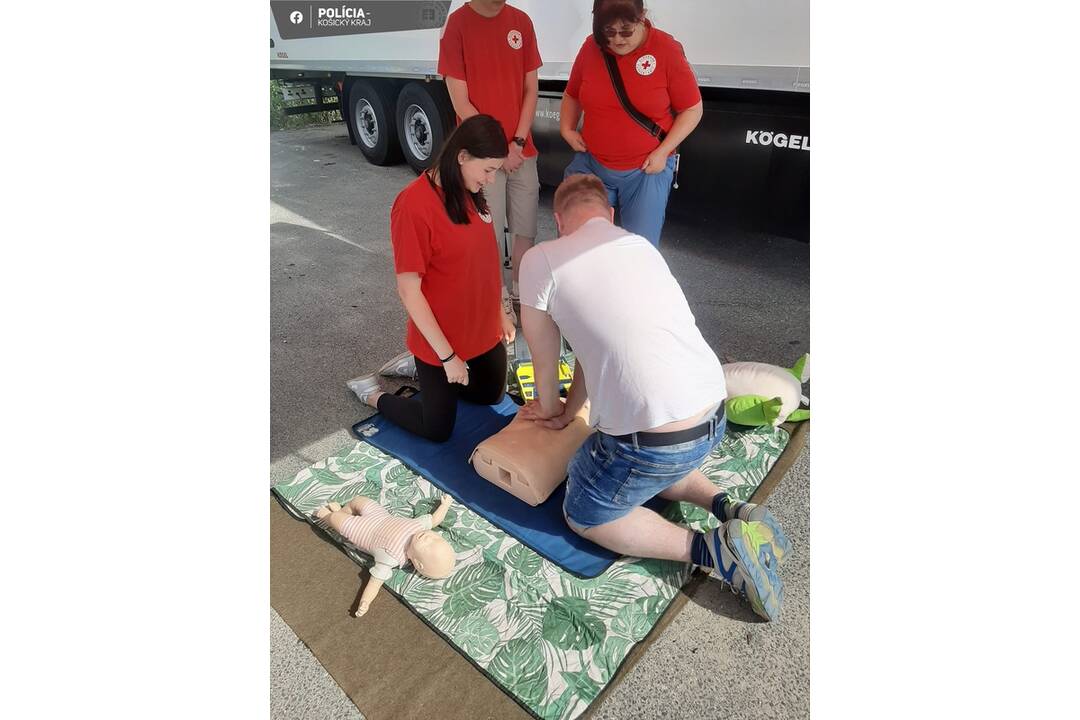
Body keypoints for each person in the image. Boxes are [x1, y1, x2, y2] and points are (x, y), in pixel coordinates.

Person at [516, 174, 792, 621]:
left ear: (559, 220)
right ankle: (735, 509)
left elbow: (544, 361)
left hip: (654, 444)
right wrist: (571, 409)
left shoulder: (539, 259)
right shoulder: (641, 247)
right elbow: (595, 345)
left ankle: (712, 549)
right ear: (609, 214)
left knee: (585, 510)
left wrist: (550, 411)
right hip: (712, 415)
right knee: (650, 462)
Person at [349, 115, 516, 442]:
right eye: (488, 170)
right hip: (440, 338)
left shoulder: (471, 190)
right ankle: (373, 393)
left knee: (490, 395)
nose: (492, 180)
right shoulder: (413, 205)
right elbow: (408, 291)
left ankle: (421, 371)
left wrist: (500, 312)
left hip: (480, 326)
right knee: (437, 428)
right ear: (462, 156)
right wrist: (448, 357)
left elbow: (487, 259)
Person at [559, 0, 703, 247]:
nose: (617, 40)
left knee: (639, 247)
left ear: (642, 17)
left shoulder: (666, 48)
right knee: (575, 241)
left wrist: (662, 152)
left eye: (626, 31)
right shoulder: (591, 47)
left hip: (645, 169)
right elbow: (572, 94)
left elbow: (692, 109)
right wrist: (567, 129)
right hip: (594, 163)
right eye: (608, 32)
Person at [438, 0, 542, 305]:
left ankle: (523, 294)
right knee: (488, 233)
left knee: (526, 228)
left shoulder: (521, 21)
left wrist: (517, 143)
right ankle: (497, 300)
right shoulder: (456, 25)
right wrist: (498, 152)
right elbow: (460, 102)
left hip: (522, 152)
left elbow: (531, 90)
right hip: (480, 157)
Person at [314, 494, 457, 617]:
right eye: (436, 538)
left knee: (335, 519)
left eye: (428, 546)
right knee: (359, 501)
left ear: (418, 563)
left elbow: (374, 583)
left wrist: (365, 602)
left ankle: (326, 515)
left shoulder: (392, 558)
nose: (428, 538)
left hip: (361, 531)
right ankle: (343, 510)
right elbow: (435, 519)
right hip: (379, 516)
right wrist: (445, 505)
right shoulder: (418, 526)